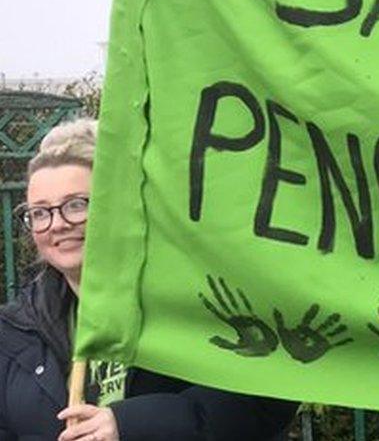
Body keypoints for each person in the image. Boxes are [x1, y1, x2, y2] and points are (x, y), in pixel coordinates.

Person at [0, 118, 298, 440]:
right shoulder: (15, 329)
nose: (57, 224)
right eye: (40, 212)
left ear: (119, 204)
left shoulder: (198, 298)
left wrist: (130, 425)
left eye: (76, 205)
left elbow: (262, 400)